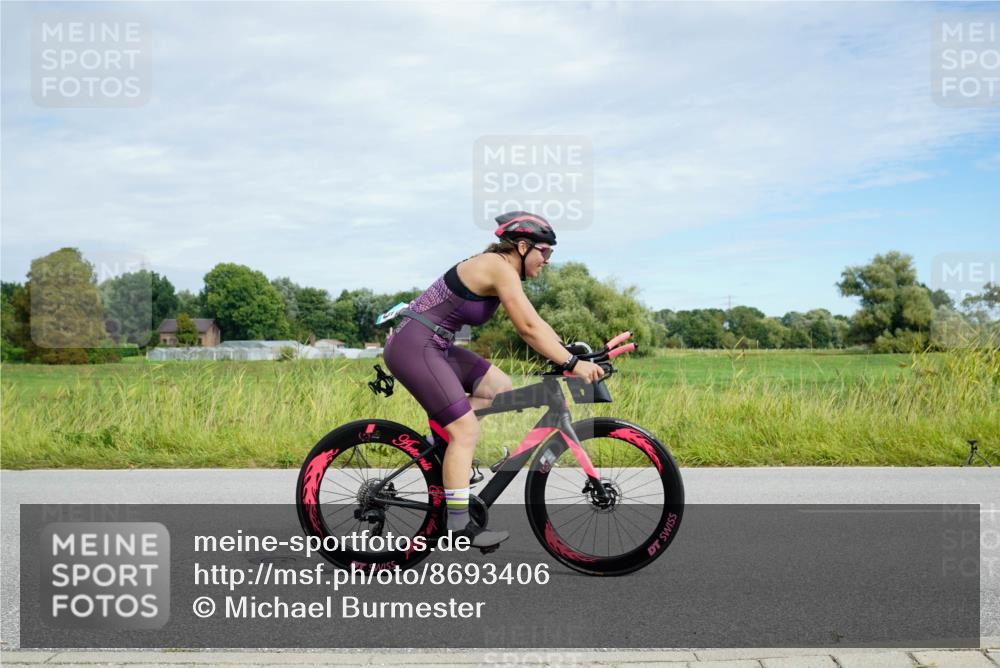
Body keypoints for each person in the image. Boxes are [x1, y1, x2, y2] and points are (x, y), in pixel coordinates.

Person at [382, 211, 605, 548]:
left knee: (497, 387)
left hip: (435, 344)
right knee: (465, 430)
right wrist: (571, 363)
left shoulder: (504, 269)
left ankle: (439, 443)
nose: (547, 260)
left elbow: (536, 321)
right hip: (416, 346)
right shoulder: (498, 266)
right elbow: (528, 330)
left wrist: (566, 351)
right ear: (522, 245)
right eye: (544, 252)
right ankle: (458, 525)